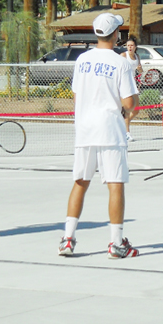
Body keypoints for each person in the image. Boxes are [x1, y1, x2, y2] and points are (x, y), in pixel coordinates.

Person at [59, 13, 139, 258]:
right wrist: (133, 101)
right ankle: (116, 244)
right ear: (115, 34)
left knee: (80, 182)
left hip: (84, 129)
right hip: (109, 130)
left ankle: (67, 239)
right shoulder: (121, 63)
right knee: (115, 185)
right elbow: (129, 102)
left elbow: (75, 94)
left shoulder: (82, 60)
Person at [120, 36, 142, 142]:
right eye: (128, 45)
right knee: (127, 110)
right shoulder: (123, 56)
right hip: (124, 84)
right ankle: (127, 133)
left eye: (131, 45)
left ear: (135, 47)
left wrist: (139, 69)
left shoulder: (137, 56)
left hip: (133, 83)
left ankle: (123, 124)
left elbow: (141, 71)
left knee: (136, 109)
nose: (129, 47)